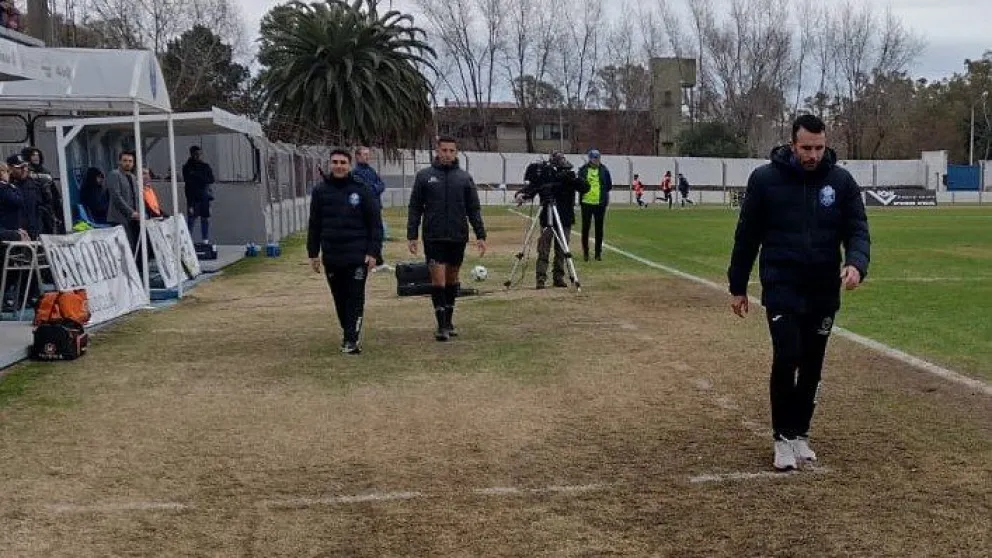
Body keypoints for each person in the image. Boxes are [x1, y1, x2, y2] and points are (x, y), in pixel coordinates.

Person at [727, 114, 870, 472]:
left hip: (823, 287)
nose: (813, 154)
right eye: (806, 148)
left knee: (812, 363)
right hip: (782, 285)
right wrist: (738, 286)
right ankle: (782, 438)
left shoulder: (841, 181)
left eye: (819, 147)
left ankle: (801, 433)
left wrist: (855, 263)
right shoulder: (764, 180)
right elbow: (747, 237)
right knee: (787, 355)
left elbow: (858, 230)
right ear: (793, 144)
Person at [406, 135, 487, 342]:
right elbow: (415, 207)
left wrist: (480, 234)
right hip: (433, 237)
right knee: (438, 280)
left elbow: (473, 209)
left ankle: (449, 320)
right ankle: (441, 325)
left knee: (452, 280)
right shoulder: (425, 176)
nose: (447, 154)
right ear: (437, 151)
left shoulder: (464, 178)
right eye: (444, 150)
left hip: (457, 236)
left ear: (456, 152)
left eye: (451, 151)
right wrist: (412, 235)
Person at [307, 149, 383, 355]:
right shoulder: (320, 191)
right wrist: (313, 253)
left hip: (357, 255)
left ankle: (351, 339)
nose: (339, 166)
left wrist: (373, 252)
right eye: (335, 162)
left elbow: (375, 224)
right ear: (330, 164)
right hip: (332, 255)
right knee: (340, 298)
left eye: (343, 162)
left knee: (355, 296)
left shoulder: (362, 190)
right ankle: (347, 329)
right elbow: (314, 224)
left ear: (349, 165)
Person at [515, 151, 588, 289]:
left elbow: (585, 187)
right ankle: (540, 278)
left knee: (562, 249)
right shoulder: (546, 176)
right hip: (547, 216)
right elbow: (533, 188)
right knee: (544, 248)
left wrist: (572, 179)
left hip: (564, 218)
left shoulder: (569, 177)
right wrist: (521, 194)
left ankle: (558, 277)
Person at [352, 146, 388, 268]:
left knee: (378, 233)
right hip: (365, 209)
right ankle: (368, 261)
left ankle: (379, 261)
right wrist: (374, 188)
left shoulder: (371, 170)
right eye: (364, 154)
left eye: (368, 154)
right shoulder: (355, 173)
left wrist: (375, 188)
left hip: (376, 206)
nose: (367, 157)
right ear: (357, 156)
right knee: (368, 234)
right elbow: (365, 189)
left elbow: (381, 184)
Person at [577, 149, 612, 261]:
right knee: (585, 228)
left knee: (599, 229)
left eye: (598, 158)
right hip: (586, 203)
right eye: (594, 158)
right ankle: (586, 253)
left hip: (600, 204)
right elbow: (579, 184)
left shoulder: (604, 170)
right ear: (590, 158)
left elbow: (609, 185)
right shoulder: (583, 170)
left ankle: (598, 253)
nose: (596, 160)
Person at [105, 151, 141, 256]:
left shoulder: (133, 177)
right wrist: (131, 212)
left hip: (133, 219)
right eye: (125, 161)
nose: (128, 163)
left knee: (133, 246)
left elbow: (137, 197)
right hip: (119, 218)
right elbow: (116, 197)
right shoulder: (114, 175)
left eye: (130, 161)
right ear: (119, 161)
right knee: (123, 247)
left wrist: (139, 213)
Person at [182, 145, 215, 244]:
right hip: (192, 198)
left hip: (204, 196)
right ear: (191, 154)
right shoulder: (187, 167)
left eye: (200, 154)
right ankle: (187, 241)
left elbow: (211, 179)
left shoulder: (205, 166)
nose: (198, 156)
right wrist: (190, 203)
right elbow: (188, 183)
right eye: (196, 154)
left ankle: (205, 240)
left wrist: (197, 177)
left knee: (205, 218)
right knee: (191, 219)